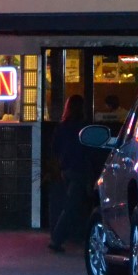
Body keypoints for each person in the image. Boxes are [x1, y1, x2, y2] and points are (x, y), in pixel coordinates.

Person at [48, 94, 92, 254]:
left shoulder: (62, 127)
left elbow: (55, 149)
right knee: (73, 205)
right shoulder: (84, 127)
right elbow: (88, 151)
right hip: (79, 169)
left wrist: (59, 167)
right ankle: (58, 238)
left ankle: (61, 238)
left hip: (66, 169)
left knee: (72, 203)